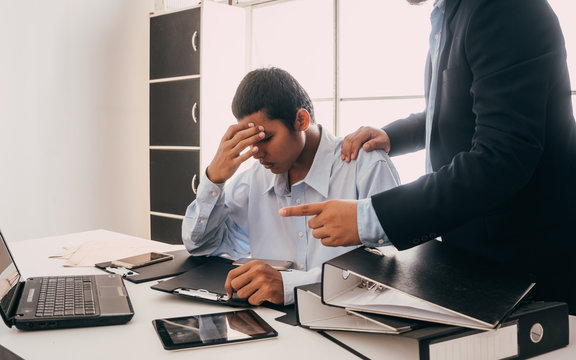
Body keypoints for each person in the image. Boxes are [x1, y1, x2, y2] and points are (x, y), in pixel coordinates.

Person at [280, 0, 576, 313]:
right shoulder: (451, 14)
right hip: (476, 258)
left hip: (528, 266)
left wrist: (370, 217)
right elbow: (456, 108)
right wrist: (395, 135)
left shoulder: (502, 8)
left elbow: (501, 158)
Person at [182, 67, 400, 305]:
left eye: (265, 138)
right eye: (250, 141)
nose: (257, 153)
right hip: (267, 323)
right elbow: (202, 246)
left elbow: (392, 267)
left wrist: (289, 286)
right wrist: (214, 179)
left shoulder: (366, 165)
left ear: (301, 120)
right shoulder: (254, 179)